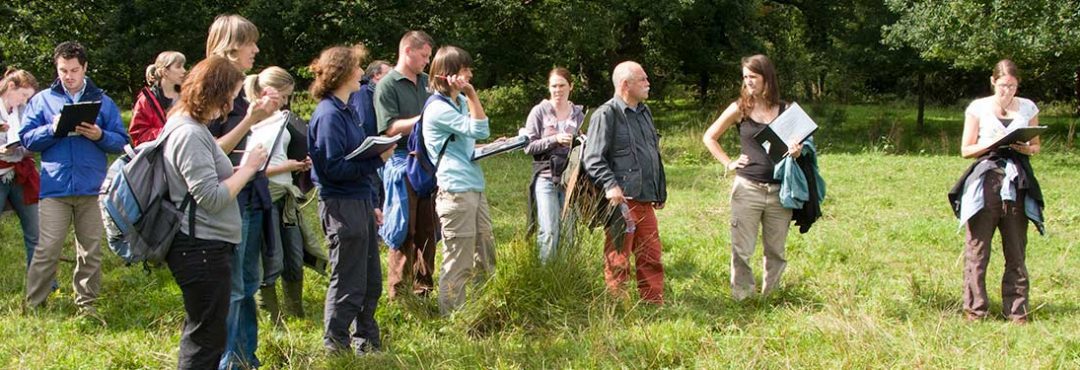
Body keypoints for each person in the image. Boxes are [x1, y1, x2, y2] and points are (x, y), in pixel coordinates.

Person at [160, 56, 268, 370]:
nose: (232, 102)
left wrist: (239, 162)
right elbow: (212, 197)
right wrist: (247, 169)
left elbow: (207, 165)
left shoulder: (189, 125)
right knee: (205, 339)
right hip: (200, 247)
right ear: (217, 92)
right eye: (232, 95)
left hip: (203, 244)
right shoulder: (189, 133)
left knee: (204, 332)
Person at [20, 41, 130, 317]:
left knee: (90, 251)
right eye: (62, 70)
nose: (68, 76)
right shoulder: (42, 100)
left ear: (85, 68)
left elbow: (122, 142)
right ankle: (34, 305)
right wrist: (52, 128)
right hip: (54, 187)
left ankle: (87, 305)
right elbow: (27, 139)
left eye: (74, 70)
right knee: (47, 249)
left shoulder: (102, 101)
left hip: (92, 187)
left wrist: (100, 136)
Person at [204, 13, 283, 370]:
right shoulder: (212, 87)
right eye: (250, 42)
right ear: (232, 46)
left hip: (250, 196)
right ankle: (231, 362)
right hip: (229, 202)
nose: (256, 49)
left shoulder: (236, 88)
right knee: (235, 288)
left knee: (248, 283)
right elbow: (206, 149)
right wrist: (252, 121)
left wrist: (261, 115)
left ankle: (246, 357)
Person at [307, 45, 394, 354]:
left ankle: (367, 341)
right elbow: (333, 168)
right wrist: (378, 159)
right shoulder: (329, 115)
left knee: (370, 279)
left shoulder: (347, 110)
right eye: (357, 68)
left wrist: (371, 203)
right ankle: (336, 346)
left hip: (358, 202)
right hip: (340, 206)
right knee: (347, 280)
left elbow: (354, 160)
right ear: (342, 73)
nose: (361, 73)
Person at [701, 55, 804, 301]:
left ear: (767, 78)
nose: (748, 82)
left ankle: (773, 297)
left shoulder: (787, 110)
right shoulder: (740, 108)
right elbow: (710, 137)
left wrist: (798, 151)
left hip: (780, 191)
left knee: (776, 250)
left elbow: (803, 146)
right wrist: (729, 162)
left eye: (753, 77)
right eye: (745, 77)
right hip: (747, 188)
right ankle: (743, 298)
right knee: (742, 250)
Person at [948, 59, 1043, 324]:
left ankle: (1016, 311)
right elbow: (966, 149)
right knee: (978, 249)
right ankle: (975, 310)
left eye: (1012, 86)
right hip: (986, 180)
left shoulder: (1028, 107)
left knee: (1016, 248)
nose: (1007, 92)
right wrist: (991, 143)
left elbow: (1036, 146)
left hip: (1017, 182)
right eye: (1002, 86)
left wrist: (1026, 147)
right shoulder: (978, 108)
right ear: (993, 82)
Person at [582, 61, 667, 305]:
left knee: (651, 253)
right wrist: (610, 185)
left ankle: (653, 303)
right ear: (625, 84)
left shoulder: (644, 112)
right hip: (621, 201)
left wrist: (659, 189)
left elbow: (652, 153)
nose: (648, 83)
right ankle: (619, 304)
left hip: (644, 198)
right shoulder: (606, 114)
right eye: (643, 79)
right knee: (618, 256)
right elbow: (593, 157)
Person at [423, 46, 496, 314]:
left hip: (474, 187)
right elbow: (480, 128)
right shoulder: (437, 109)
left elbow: (475, 137)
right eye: (465, 70)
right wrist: (472, 93)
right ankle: (453, 320)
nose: (470, 75)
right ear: (448, 75)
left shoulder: (459, 103)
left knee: (485, 254)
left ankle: (480, 311)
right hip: (455, 192)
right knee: (459, 260)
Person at [241, 67, 312, 322]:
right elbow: (253, 168)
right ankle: (273, 318)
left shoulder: (280, 120)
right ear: (265, 92)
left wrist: (298, 164)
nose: (285, 102)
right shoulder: (253, 124)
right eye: (282, 96)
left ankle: (296, 312)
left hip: (285, 196)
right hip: (264, 197)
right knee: (272, 259)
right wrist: (289, 166)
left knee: (294, 256)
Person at [373, 30, 438, 299]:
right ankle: (399, 295)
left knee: (428, 229)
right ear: (408, 51)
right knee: (403, 228)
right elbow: (389, 129)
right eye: (424, 55)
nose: (427, 61)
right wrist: (426, 117)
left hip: (429, 161)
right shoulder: (387, 84)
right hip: (402, 161)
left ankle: (423, 290)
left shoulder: (427, 82)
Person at [521, 67, 585, 263]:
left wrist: (578, 140)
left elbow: (585, 144)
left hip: (571, 178)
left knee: (569, 232)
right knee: (549, 231)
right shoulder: (539, 111)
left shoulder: (579, 114)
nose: (558, 90)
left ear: (571, 87)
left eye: (562, 85)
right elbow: (528, 146)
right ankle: (546, 275)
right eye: (554, 86)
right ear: (549, 88)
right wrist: (555, 139)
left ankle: (566, 276)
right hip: (546, 176)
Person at [0, 68, 40, 268]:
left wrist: (24, 147)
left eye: (28, 98)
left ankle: (43, 285)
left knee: (36, 231)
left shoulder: (23, 110)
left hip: (21, 173)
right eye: (23, 95)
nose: (25, 101)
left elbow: (30, 140)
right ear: (10, 87)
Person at [129, 51, 186, 146]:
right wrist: (168, 132)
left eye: (183, 66)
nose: (184, 71)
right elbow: (138, 134)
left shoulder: (187, 96)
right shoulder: (146, 100)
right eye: (178, 67)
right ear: (165, 72)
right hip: (159, 157)